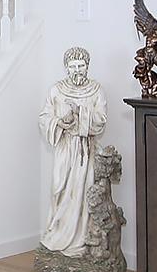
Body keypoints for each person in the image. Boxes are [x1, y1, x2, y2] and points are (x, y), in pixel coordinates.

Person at [39, 45, 109, 256]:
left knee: (82, 191)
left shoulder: (96, 90)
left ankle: (79, 240)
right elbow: (44, 117)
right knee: (59, 188)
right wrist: (60, 122)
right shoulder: (56, 90)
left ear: (87, 66)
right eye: (73, 66)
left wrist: (80, 112)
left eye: (81, 66)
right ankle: (57, 234)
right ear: (66, 68)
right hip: (64, 148)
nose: (77, 70)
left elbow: (101, 120)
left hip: (84, 151)